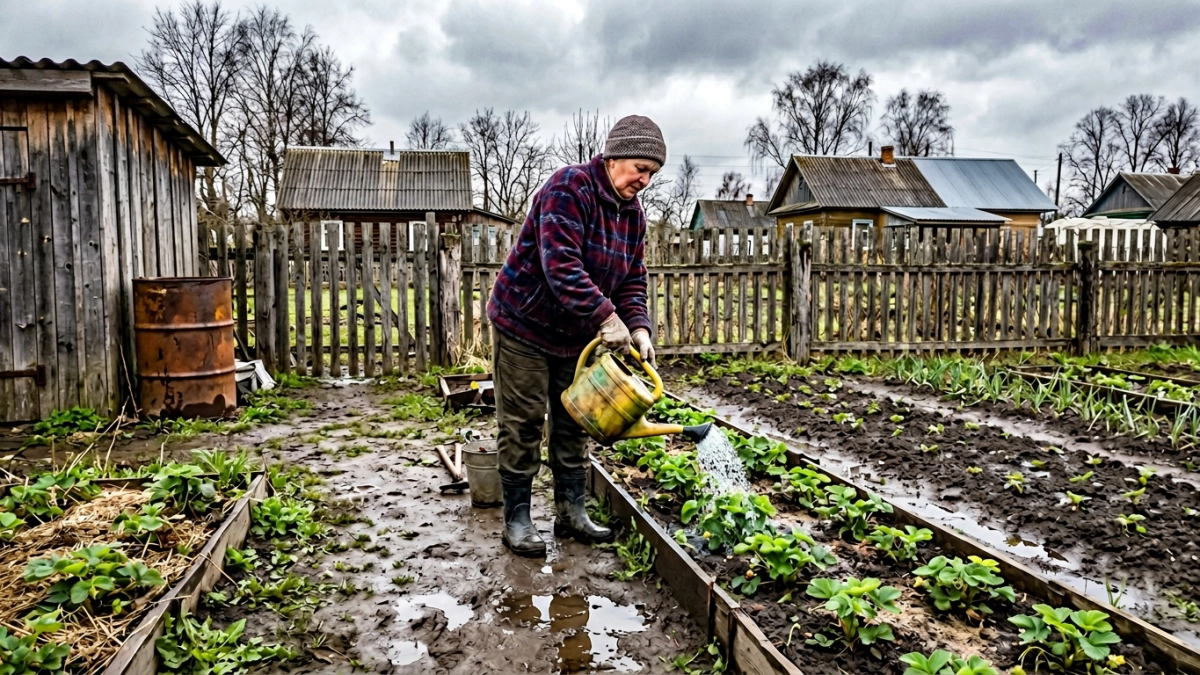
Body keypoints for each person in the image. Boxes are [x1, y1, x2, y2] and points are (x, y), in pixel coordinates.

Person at [486, 115, 665, 557]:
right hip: (524, 324)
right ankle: (519, 519)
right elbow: (560, 265)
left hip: (575, 334)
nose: (644, 180)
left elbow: (631, 280)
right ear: (614, 156)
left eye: (652, 174)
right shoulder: (569, 188)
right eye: (640, 168)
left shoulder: (633, 217)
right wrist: (607, 319)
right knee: (525, 420)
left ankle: (571, 513)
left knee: (575, 421)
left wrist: (638, 326)